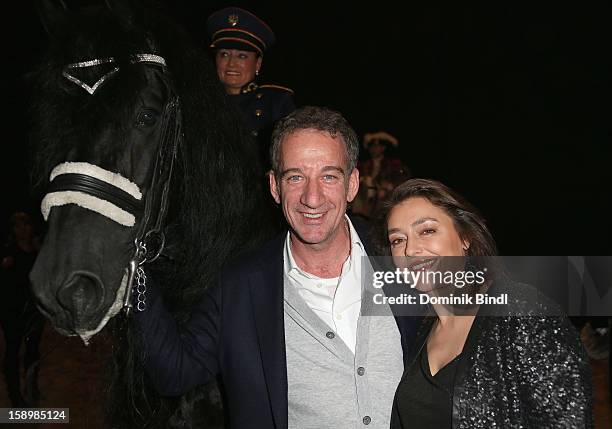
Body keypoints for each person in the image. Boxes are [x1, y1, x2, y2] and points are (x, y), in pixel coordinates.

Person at [135, 106, 419, 428]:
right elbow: (175, 372)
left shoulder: (399, 255)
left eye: (329, 176)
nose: (312, 198)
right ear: (274, 186)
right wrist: (135, 272)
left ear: (352, 184)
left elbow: (480, 304)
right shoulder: (240, 287)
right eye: (295, 177)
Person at [372, 178, 592, 428]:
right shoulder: (420, 331)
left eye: (427, 231)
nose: (410, 250)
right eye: (398, 240)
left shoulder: (522, 312)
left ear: (465, 237)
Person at [206, 6, 295, 170]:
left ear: (258, 63)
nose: (231, 64)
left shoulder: (276, 103)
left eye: (242, 56)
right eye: (224, 54)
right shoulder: (201, 102)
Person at [0, 212, 45, 407]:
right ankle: (15, 395)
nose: (22, 229)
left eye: (26, 224)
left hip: (34, 310)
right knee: (13, 353)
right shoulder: (8, 252)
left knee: (33, 351)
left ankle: (31, 387)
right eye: (17, 226)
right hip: (12, 312)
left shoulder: (39, 251)